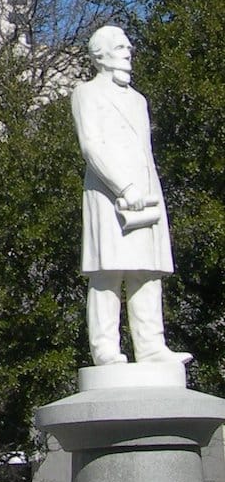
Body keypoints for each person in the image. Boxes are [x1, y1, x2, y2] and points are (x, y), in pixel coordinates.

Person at [72, 24, 184, 366]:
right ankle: (105, 348)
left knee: (147, 271)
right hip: (111, 195)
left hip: (146, 194)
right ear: (100, 55)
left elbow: (144, 151)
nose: (129, 51)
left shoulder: (138, 100)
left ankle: (151, 346)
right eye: (121, 47)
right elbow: (91, 146)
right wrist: (124, 186)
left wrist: (147, 190)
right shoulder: (86, 93)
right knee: (108, 272)